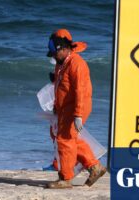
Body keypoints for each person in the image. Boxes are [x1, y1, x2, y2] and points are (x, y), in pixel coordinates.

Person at [46, 29, 107, 189]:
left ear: (63, 48)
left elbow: (82, 92)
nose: (53, 56)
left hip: (76, 107)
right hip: (65, 108)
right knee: (70, 139)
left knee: (64, 140)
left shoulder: (77, 64)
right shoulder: (61, 64)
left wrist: (78, 114)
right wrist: (55, 106)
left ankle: (65, 179)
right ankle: (95, 167)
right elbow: (59, 87)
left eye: (54, 53)